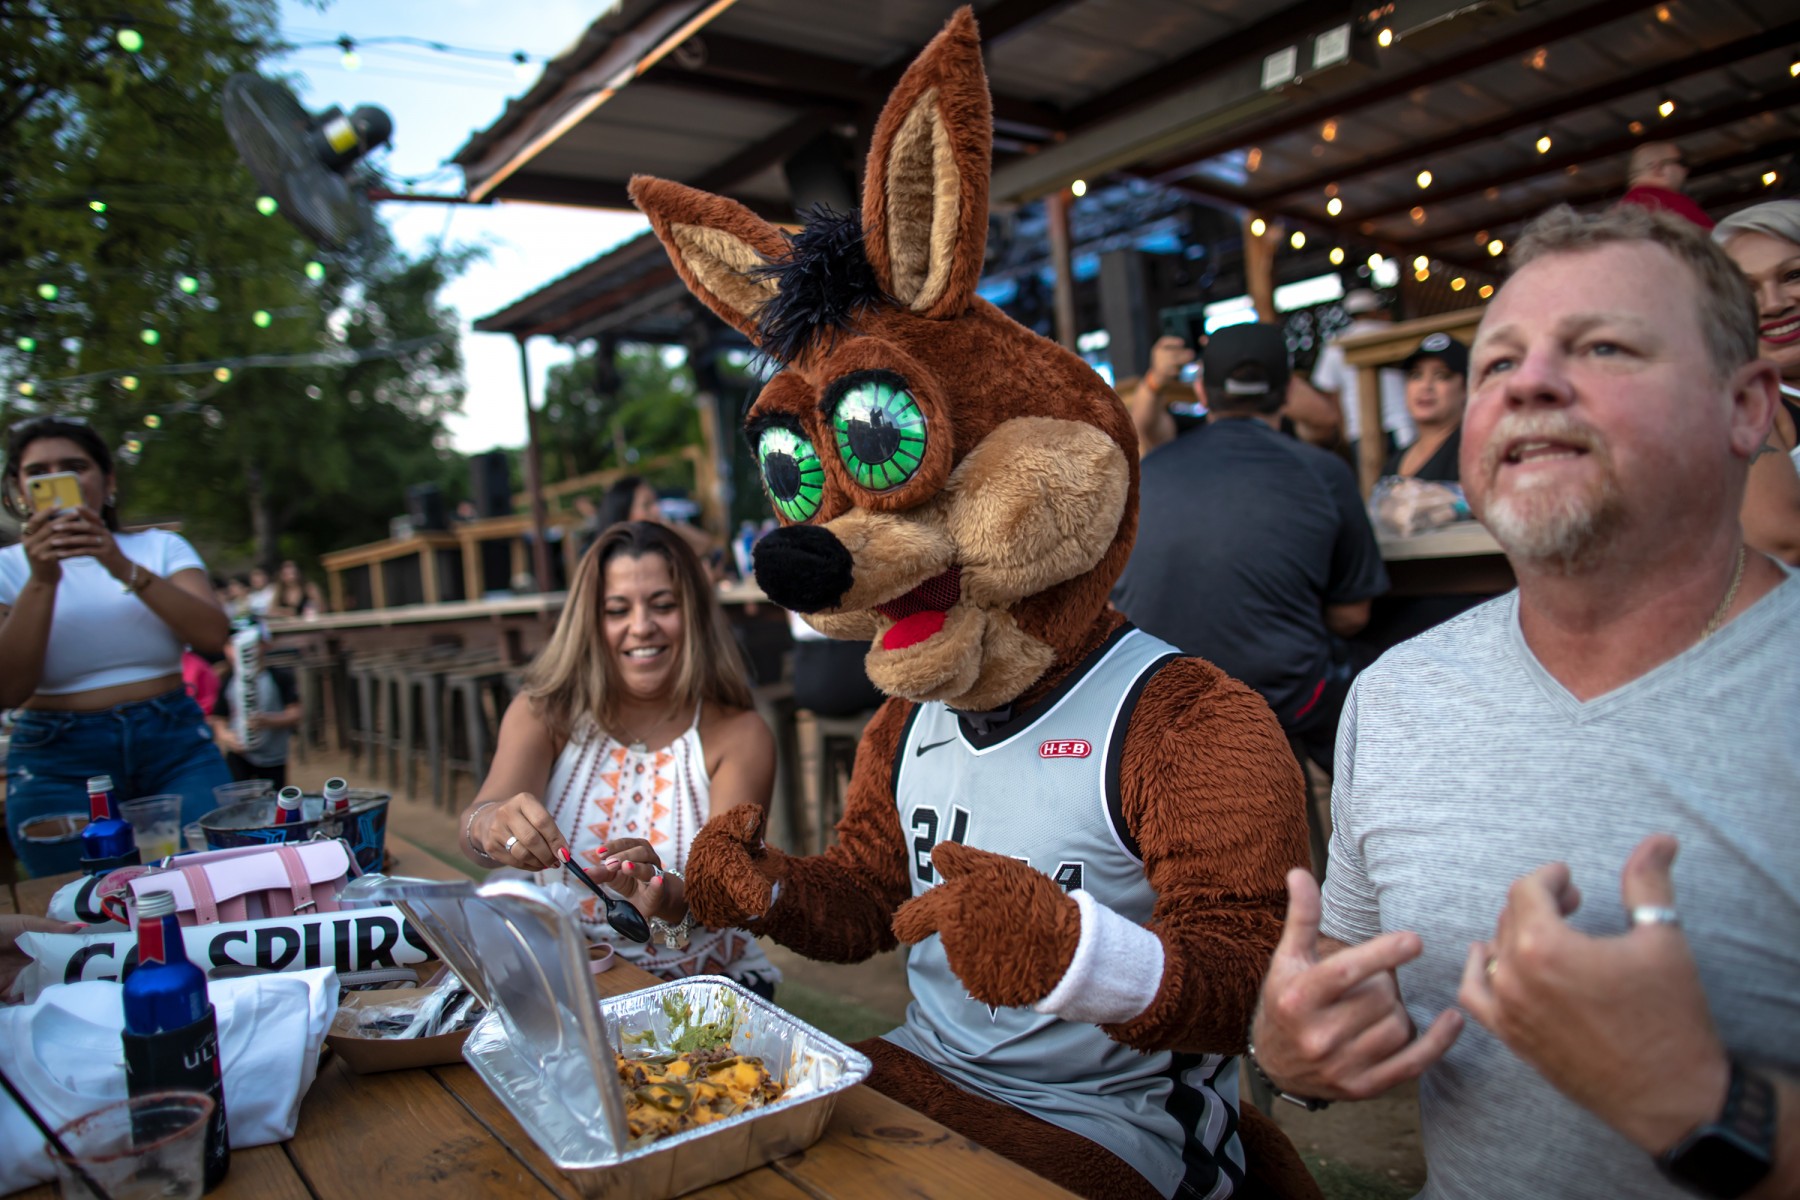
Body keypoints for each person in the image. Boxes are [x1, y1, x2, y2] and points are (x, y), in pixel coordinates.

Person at [1249, 205, 1799, 1197]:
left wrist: (1705, 1103)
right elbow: (1352, 979)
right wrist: (1293, 1052)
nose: (1528, 382)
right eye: (1497, 363)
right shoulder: (1399, 696)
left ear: (1747, 407)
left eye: (1604, 346)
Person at [456, 520, 781, 997]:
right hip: (558, 981)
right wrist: (489, 824)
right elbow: (475, 834)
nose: (641, 626)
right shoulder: (542, 713)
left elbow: (729, 893)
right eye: (616, 610)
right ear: (590, 621)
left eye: (664, 605)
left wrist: (665, 895)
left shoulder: (741, 734)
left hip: (701, 990)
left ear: (694, 614)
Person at [1113, 322, 1389, 771]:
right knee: (1375, 662)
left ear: (1201, 390)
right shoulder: (1323, 472)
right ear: (1288, 393)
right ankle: (1359, 801)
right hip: (1278, 702)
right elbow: (1352, 615)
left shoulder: (1147, 472)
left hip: (1155, 698)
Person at [0, 415, 232, 876]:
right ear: (19, 491)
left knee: (208, 886)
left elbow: (211, 635)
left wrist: (116, 562)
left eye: (74, 467)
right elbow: (8, 689)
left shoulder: (160, 547)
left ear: (108, 481)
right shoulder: (8, 567)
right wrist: (42, 579)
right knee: (81, 901)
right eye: (38, 473)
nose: (58, 481)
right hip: (57, 756)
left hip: (174, 744)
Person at [1714, 199, 1800, 565]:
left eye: (1793, 275)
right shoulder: (1742, 403)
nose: (1774, 304)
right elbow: (1781, 540)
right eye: (1747, 290)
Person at [1311, 289, 1415, 458]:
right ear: (1375, 310)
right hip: (1403, 422)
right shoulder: (1394, 333)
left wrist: (1343, 428)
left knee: (1371, 474)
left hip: (1359, 427)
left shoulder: (1335, 345)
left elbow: (1330, 391)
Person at [208, 621, 302, 788]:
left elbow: (296, 713)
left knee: (272, 797)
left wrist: (269, 721)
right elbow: (219, 718)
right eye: (233, 644)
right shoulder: (228, 680)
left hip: (273, 756)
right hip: (238, 755)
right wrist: (227, 736)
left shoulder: (279, 677)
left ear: (264, 644)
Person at [1386, 331, 1469, 480]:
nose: (1426, 386)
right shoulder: (1394, 461)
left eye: (1441, 376)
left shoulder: (1472, 452)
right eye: (1416, 375)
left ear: (1465, 388)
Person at [1620, 140, 1714, 231]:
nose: (1685, 170)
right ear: (1658, 168)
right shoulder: (1673, 202)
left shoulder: (1619, 212)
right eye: (1681, 163)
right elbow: (1713, 239)